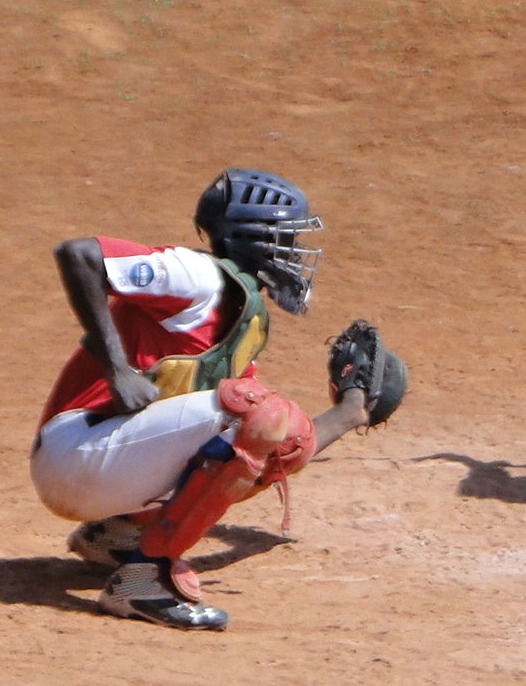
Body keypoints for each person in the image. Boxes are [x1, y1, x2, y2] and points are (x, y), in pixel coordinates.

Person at [30, 168, 407, 631]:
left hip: (103, 468)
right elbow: (79, 254)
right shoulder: (198, 276)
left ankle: (118, 535)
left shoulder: (243, 322)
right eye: (286, 238)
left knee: (263, 437)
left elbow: (278, 447)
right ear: (252, 237)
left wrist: (351, 413)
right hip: (75, 453)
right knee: (258, 414)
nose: (296, 252)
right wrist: (118, 369)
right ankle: (144, 582)